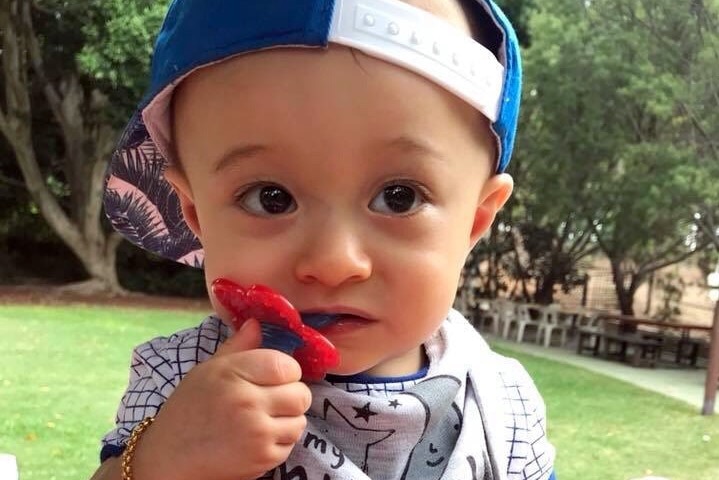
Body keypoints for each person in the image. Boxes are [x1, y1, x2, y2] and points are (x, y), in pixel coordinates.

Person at [93, 0, 556, 479]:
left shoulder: (502, 404)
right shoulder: (180, 377)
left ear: (476, 221)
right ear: (196, 215)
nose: (334, 262)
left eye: (399, 198)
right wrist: (160, 460)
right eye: (270, 198)